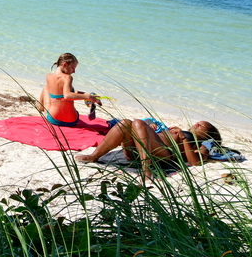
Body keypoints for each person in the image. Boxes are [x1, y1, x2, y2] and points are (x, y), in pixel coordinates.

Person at [75, 118, 222, 182]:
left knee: (138, 122)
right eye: (197, 123)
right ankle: (94, 156)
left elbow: (195, 162)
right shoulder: (182, 130)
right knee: (126, 123)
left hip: (163, 154)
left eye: (201, 126)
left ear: (208, 134)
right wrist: (149, 129)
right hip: (138, 150)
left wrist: (183, 138)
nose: (196, 125)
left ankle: (146, 169)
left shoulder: (202, 144)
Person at [37, 53, 100, 127]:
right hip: (72, 121)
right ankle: (40, 106)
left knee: (46, 88)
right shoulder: (67, 77)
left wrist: (85, 94)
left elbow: (63, 93)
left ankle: (40, 106)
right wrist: (88, 97)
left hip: (54, 119)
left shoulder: (49, 76)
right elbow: (67, 95)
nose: (74, 71)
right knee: (48, 89)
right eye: (73, 68)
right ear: (65, 64)